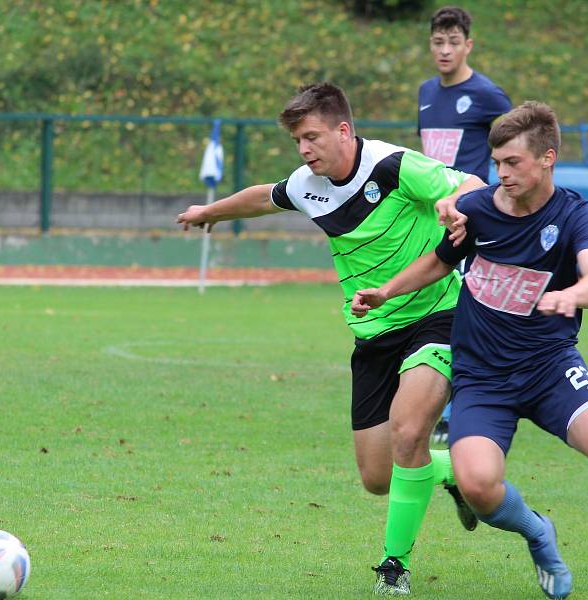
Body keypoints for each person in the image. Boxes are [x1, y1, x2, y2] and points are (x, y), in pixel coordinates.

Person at [351, 101, 588, 600]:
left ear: (547, 158)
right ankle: (538, 533)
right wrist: (387, 291)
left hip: (550, 369)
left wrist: (572, 294)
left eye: (512, 163)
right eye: (497, 163)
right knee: (477, 486)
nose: (500, 174)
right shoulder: (478, 210)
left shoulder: (573, 214)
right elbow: (438, 262)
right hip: (482, 379)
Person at [177, 82, 485, 596]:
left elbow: (471, 180)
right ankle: (454, 473)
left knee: (410, 431)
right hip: (372, 335)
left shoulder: (394, 166)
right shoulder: (307, 183)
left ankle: (394, 565)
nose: (304, 149)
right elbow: (264, 197)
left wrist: (454, 201)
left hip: (437, 314)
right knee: (377, 476)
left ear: (343, 130)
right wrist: (210, 212)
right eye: (298, 140)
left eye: (312, 137)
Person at [418, 6, 512, 444]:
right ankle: (438, 401)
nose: (445, 49)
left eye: (454, 41)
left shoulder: (488, 96)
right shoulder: (425, 93)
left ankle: (459, 410)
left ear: (468, 45)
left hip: (468, 217)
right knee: (435, 307)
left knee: (465, 310)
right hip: (429, 217)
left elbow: (515, 144)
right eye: (438, 41)